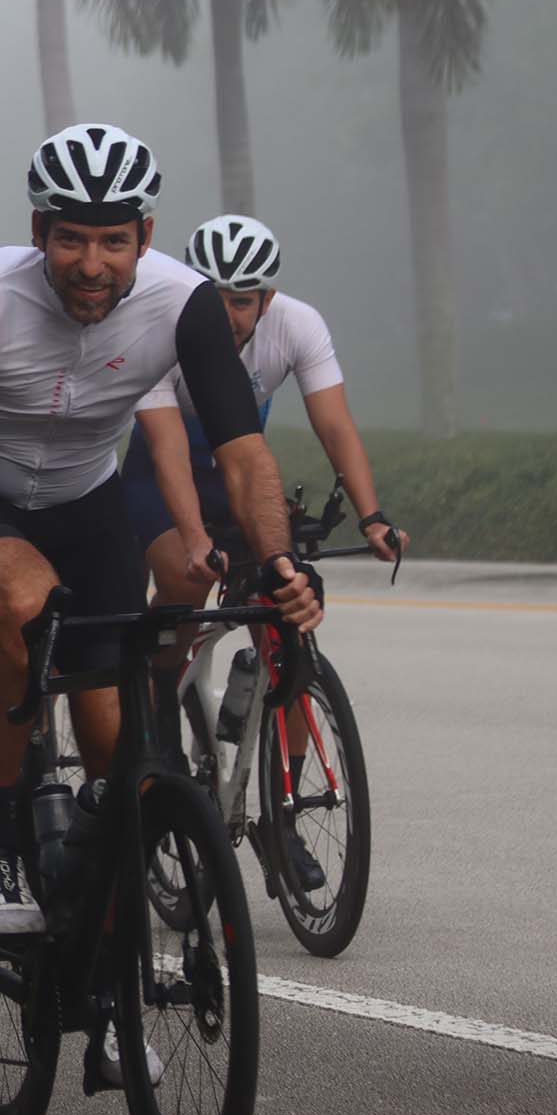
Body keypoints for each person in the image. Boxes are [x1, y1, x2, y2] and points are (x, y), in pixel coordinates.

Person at [0, 124, 321, 1086]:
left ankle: (105, 1000)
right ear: (40, 231)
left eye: (114, 239)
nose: (93, 262)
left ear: (145, 234)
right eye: (72, 238)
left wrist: (275, 563)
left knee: (117, 758)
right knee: (23, 603)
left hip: (82, 499)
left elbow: (242, 452)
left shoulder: (184, 302)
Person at [125, 212, 407, 889]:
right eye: (213, 296)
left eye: (242, 300)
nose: (226, 314)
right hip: (160, 476)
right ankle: (156, 709)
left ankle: (278, 802)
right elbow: (165, 450)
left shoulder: (297, 325)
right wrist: (194, 542)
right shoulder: (158, 326)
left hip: (238, 472)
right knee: (183, 586)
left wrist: (372, 515)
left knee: (290, 604)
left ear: (268, 300)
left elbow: (333, 423)